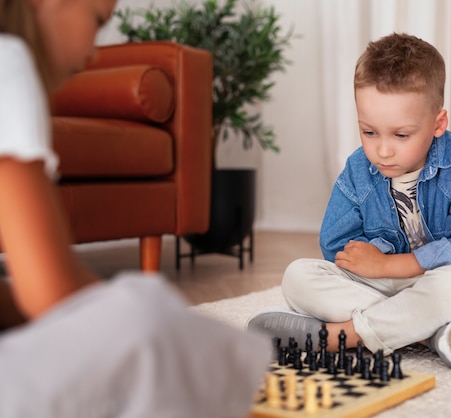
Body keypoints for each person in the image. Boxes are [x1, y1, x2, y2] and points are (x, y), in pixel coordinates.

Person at [0, 0, 271, 416]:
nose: (94, 52)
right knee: (145, 313)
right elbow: (51, 295)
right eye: (98, 21)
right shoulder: (9, 61)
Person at [247, 33, 451, 369]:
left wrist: (387, 265)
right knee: (298, 276)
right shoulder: (358, 169)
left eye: (401, 135)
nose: (382, 150)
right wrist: (375, 264)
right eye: (369, 132)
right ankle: (430, 333)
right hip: (386, 288)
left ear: (437, 124)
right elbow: (337, 246)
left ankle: (341, 336)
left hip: (443, 282)